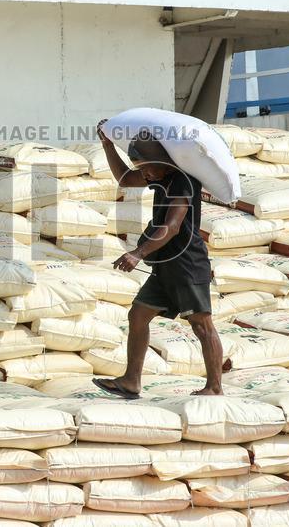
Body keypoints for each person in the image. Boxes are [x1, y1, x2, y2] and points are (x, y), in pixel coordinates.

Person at [92, 121, 223, 397]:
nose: (146, 174)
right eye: (143, 169)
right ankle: (131, 381)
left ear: (164, 160)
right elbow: (126, 180)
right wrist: (107, 145)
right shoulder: (159, 175)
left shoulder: (183, 180)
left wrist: (138, 253)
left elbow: (172, 226)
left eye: (148, 167)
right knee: (138, 314)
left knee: (201, 324)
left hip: (188, 264)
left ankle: (214, 387)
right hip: (165, 264)